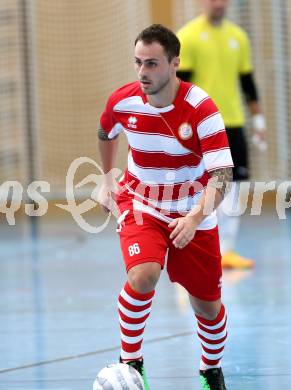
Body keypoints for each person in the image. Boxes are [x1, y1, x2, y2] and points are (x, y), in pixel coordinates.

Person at [98, 24, 233, 390]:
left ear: (174, 64)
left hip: (193, 208)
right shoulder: (123, 101)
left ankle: (210, 369)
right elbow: (105, 131)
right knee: (142, 276)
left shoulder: (201, 109)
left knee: (207, 305)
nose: (143, 72)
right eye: (138, 63)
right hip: (141, 202)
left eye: (152, 64)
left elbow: (222, 175)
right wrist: (109, 178)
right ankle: (131, 364)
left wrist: (194, 217)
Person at [177, 0, 267, 269]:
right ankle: (192, 247)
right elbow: (181, 88)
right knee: (199, 187)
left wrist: (259, 121)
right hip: (202, 126)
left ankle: (226, 250)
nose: (218, 3)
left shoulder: (238, 37)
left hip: (234, 123)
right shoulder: (188, 36)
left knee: (234, 187)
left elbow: (247, 82)